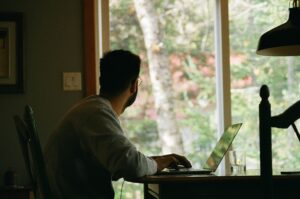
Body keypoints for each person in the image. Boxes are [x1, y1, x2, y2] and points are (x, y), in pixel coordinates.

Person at [44, 49, 192, 199]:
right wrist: (158, 164)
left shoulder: (91, 109)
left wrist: (154, 161)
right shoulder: (96, 113)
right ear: (134, 85)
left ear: (101, 80)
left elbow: (122, 160)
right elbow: (131, 166)